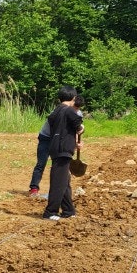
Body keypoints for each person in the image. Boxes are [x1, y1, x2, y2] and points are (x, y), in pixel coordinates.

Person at [41, 85, 84, 221]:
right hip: (63, 149)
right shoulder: (68, 110)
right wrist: (81, 129)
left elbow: (64, 128)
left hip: (57, 147)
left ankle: (68, 210)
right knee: (58, 182)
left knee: (64, 180)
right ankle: (50, 211)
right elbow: (78, 124)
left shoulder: (56, 111)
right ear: (73, 98)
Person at [29, 93, 83, 196]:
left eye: (77, 109)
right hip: (47, 137)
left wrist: (76, 142)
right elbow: (56, 130)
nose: (75, 111)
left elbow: (75, 129)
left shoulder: (78, 114)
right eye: (74, 108)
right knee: (41, 163)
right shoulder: (58, 112)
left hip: (59, 138)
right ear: (71, 103)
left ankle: (60, 191)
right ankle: (34, 188)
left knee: (60, 164)